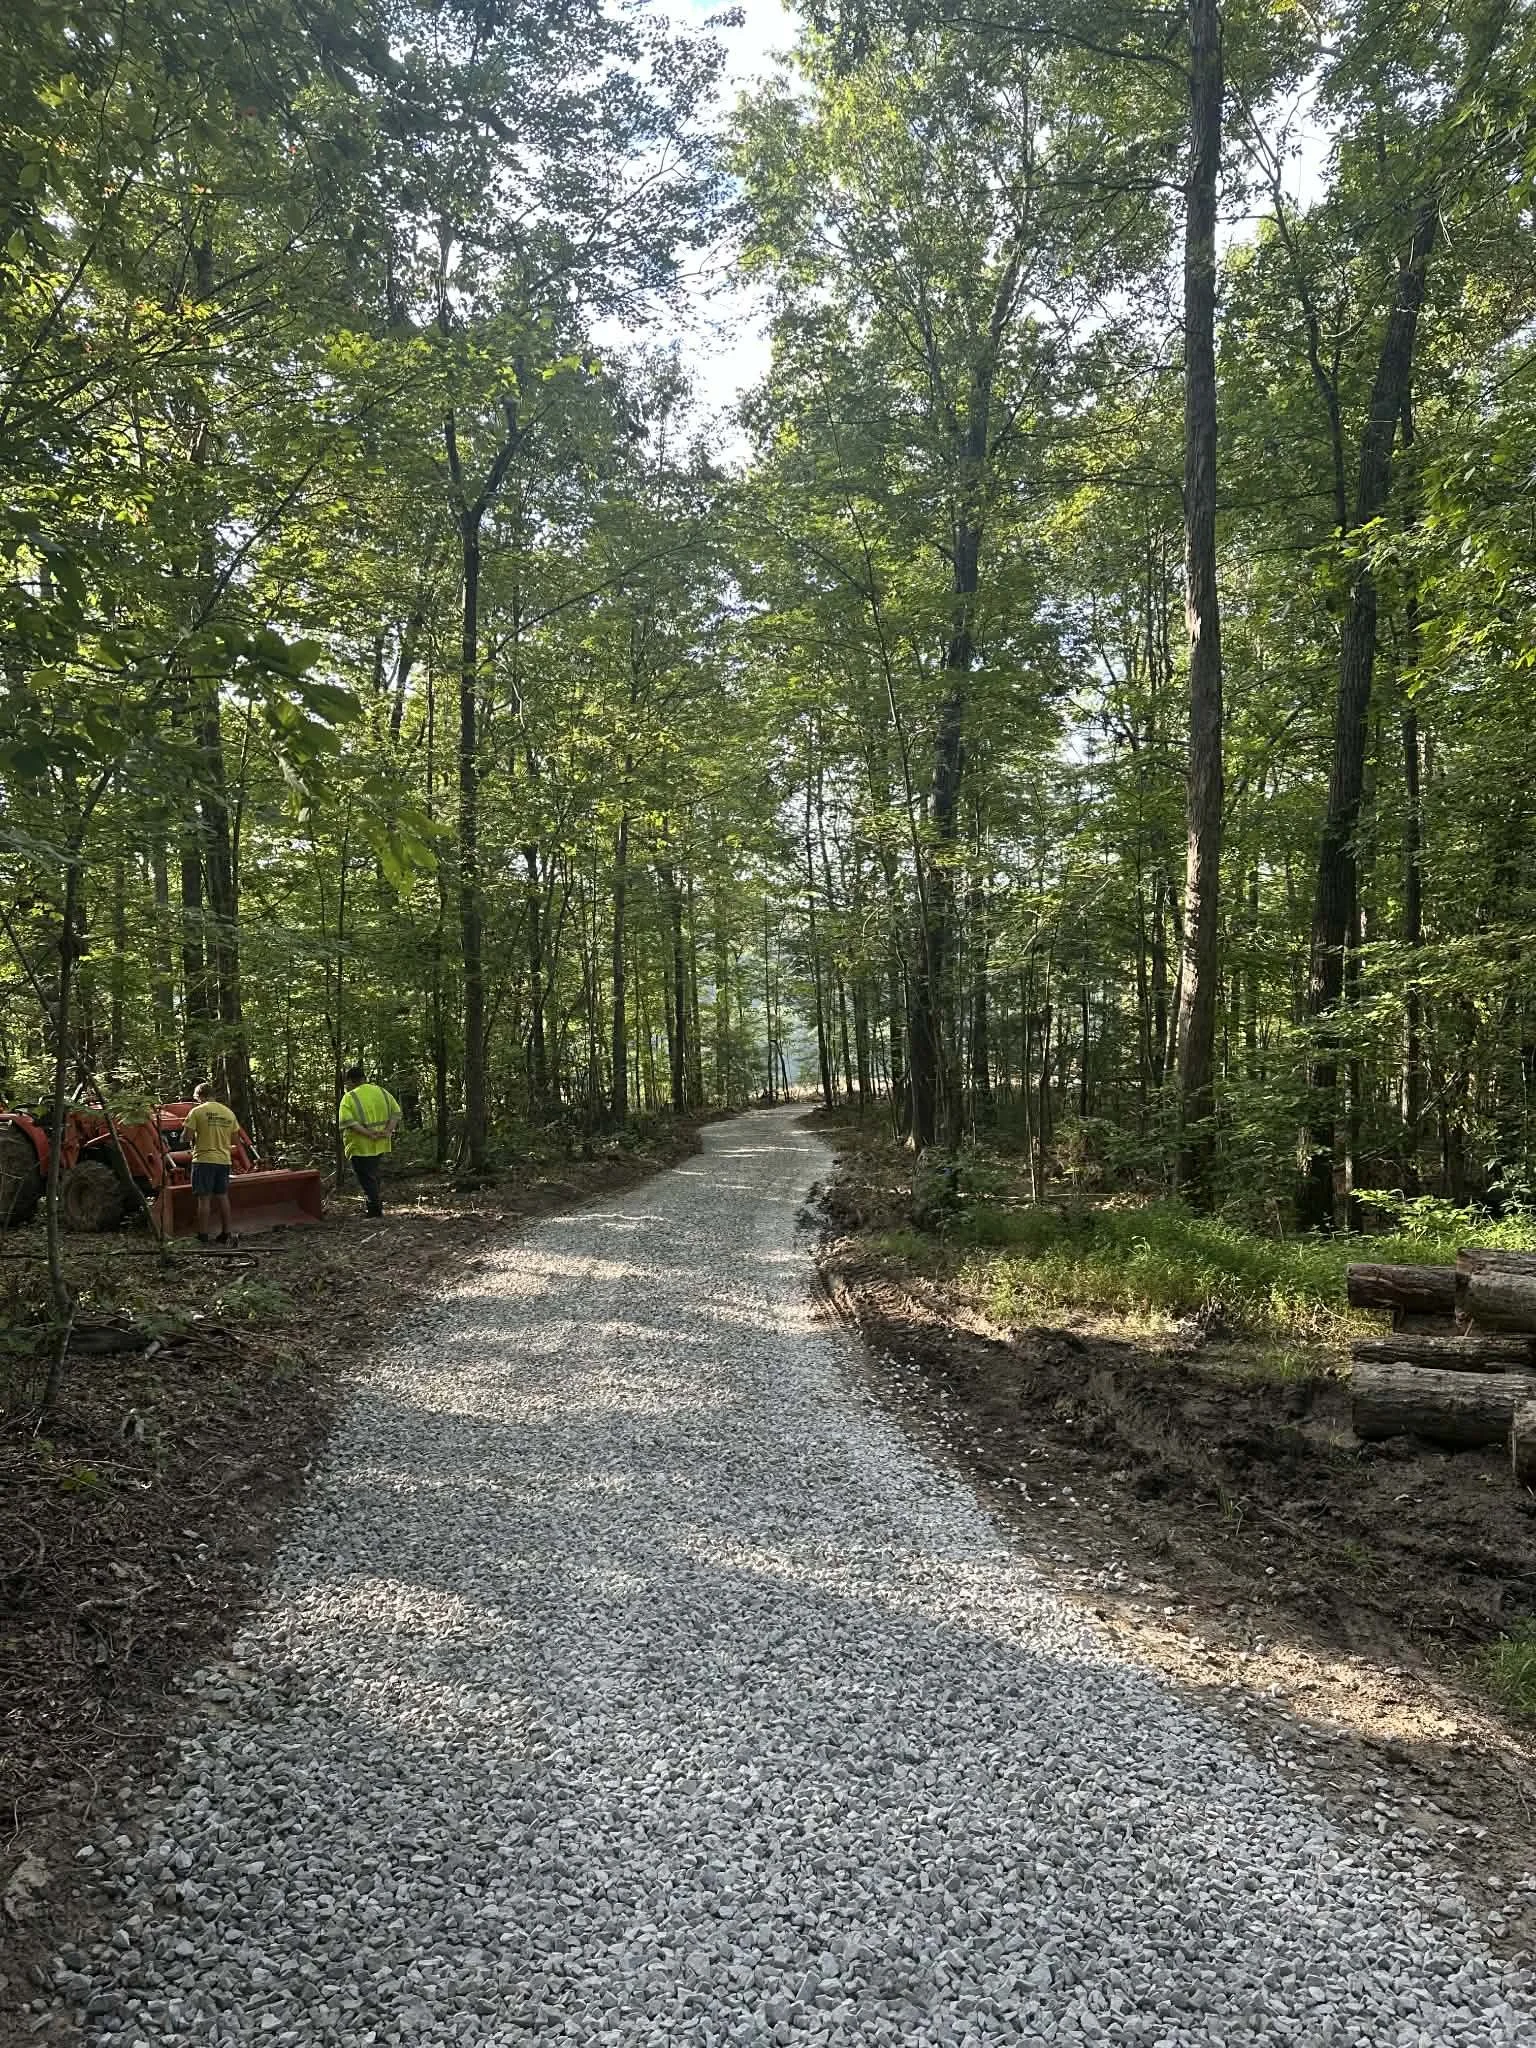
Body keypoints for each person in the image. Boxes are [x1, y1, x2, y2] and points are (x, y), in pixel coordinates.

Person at [337, 1065, 401, 1218]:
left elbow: (348, 1121)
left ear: (352, 1082)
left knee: (366, 1179)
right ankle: (375, 1206)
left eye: (347, 1083)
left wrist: (368, 1134)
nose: (346, 1086)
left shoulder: (349, 1097)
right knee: (372, 1175)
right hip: (380, 1144)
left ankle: (374, 1211)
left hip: (360, 1145)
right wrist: (388, 1131)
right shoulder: (381, 1091)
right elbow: (396, 1112)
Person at [184, 1080, 241, 1247]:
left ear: (200, 1096)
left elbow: (186, 1137)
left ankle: (202, 1235)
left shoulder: (197, 1111)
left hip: (203, 1160)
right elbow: (235, 1141)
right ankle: (226, 1233)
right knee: (223, 1196)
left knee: (204, 1199)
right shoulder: (228, 1113)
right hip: (223, 1161)